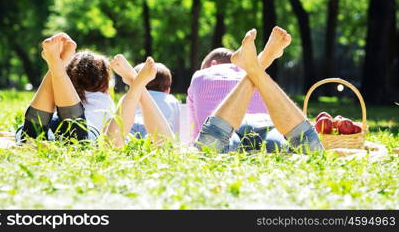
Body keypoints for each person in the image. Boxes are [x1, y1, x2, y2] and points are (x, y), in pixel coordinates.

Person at [195, 27, 324, 154]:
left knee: (206, 149)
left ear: (212, 64)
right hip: (270, 125)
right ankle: (263, 60)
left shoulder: (199, 76)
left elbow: (195, 128)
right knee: (312, 151)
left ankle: (260, 62)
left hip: (229, 131)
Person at [16, 33, 115, 143]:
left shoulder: (59, 92)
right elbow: (110, 132)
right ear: (104, 79)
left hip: (50, 123)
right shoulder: (105, 99)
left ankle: (57, 65)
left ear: (69, 73)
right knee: (77, 138)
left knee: (29, 134)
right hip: (84, 127)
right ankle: (56, 65)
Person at [187, 48, 269, 143]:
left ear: (213, 64)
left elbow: (195, 133)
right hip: (260, 143)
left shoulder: (200, 76)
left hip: (217, 145)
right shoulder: (258, 78)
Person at [105, 55, 174, 148]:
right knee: (166, 145)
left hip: (130, 127)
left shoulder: (124, 98)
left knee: (111, 146)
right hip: (154, 129)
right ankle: (136, 81)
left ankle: (136, 82)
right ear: (168, 90)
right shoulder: (171, 100)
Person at [129, 62, 180, 138]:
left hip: (132, 127)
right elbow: (175, 131)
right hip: (157, 130)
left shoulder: (131, 96)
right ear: (168, 90)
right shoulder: (171, 100)